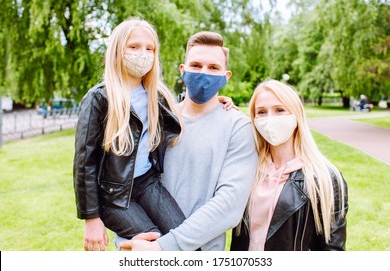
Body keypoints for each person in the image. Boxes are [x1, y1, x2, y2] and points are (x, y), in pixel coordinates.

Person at [118, 31, 258, 251]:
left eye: (213, 68)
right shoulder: (156, 117)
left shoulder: (238, 128)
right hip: (144, 249)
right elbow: (124, 177)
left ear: (226, 76)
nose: (204, 73)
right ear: (183, 70)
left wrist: (165, 246)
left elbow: (229, 205)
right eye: (196, 65)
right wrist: (127, 240)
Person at [73, 18, 190, 251]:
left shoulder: (156, 95)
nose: (143, 54)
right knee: (154, 246)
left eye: (150, 48)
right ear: (118, 50)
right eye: (134, 47)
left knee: (184, 239)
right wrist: (91, 219)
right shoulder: (99, 98)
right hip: (112, 196)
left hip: (147, 184)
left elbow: (187, 108)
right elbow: (84, 162)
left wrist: (217, 103)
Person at [230, 79, 349, 251]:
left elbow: (332, 250)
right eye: (261, 112)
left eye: (279, 110)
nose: (270, 118)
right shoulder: (248, 168)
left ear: (296, 115)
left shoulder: (325, 178)